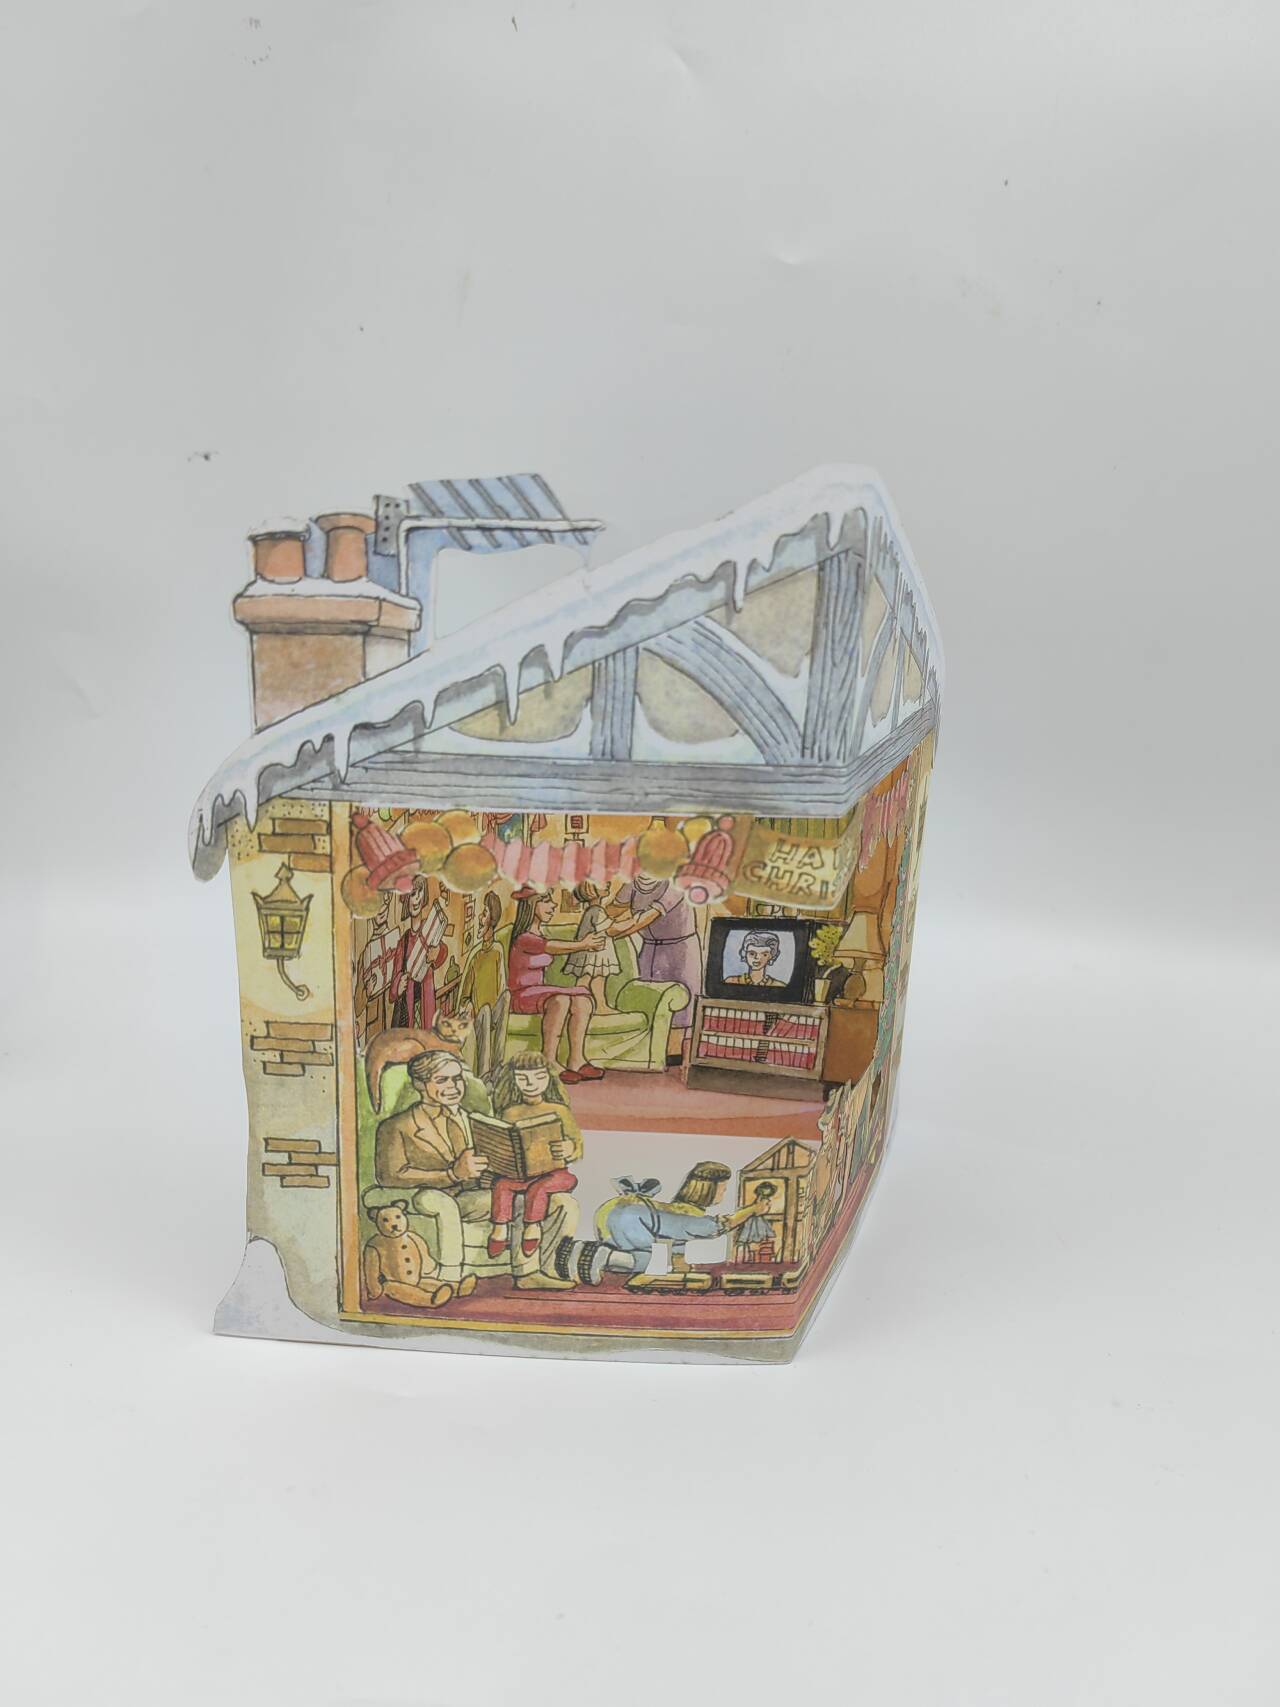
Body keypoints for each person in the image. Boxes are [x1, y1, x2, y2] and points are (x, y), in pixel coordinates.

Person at [372, 1048, 576, 1292]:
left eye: (457, 1078)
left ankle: (530, 1272)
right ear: (420, 1084)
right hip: (434, 1195)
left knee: (552, 1201)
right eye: (442, 1080)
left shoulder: (474, 1121)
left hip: (475, 1194)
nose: (453, 1086)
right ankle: (449, 1279)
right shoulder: (397, 1126)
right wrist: (451, 1174)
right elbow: (389, 1176)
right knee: (447, 1202)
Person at [580, 1162, 764, 1281]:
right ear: (710, 1190)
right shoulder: (687, 1218)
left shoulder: (679, 1215)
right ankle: (605, 1256)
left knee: (647, 1258)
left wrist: (681, 1269)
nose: (724, 1193)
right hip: (626, 1217)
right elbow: (719, 1226)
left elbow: (676, 1245)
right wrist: (753, 1209)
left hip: (615, 1214)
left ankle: (604, 1255)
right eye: (723, 1189)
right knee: (647, 1260)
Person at [484, 1051, 583, 1265]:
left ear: (549, 1078)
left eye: (539, 1077)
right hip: (520, 1174)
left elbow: (577, 1144)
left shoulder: (559, 1110)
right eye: (523, 1078)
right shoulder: (509, 1112)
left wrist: (569, 1148)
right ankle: (499, 1228)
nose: (531, 1084)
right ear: (513, 1080)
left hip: (555, 1173)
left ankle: (533, 1226)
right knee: (501, 1185)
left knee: (539, 1188)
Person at [506, 886, 606, 1085]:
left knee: (582, 999)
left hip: (536, 993)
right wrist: (583, 944)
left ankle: (577, 1060)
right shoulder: (523, 938)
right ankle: (548, 1061)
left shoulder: (539, 933)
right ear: (531, 905)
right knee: (560, 1000)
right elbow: (551, 947)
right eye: (546, 901)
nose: (553, 905)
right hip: (520, 995)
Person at [610, 873, 700, 1055]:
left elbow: (645, 918)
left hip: (679, 951)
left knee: (682, 1010)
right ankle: (650, 1055)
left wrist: (607, 932)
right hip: (649, 949)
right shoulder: (634, 882)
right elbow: (612, 909)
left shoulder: (676, 883)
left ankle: (676, 1057)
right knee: (649, 1002)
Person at [459, 889, 509, 1079]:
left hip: (493, 1011)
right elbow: (464, 995)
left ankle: (498, 1066)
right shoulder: (476, 955)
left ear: (492, 920)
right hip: (478, 1015)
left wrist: (500, 1003)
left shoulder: (498, 950)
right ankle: (485, 1074)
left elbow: (502, 985)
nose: (480, 918)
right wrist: (468, 1004)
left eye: (485, 913)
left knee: (506, 997)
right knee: (486, 1011)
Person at [388, 874, 448, 1030]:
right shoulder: (403, 942)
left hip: (426, 1007)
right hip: (408, 1011)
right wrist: (398, 985)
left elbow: (443, 951)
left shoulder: (429, 928)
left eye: (419, 892)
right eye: (412, 894)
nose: (416, 899)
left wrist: (437, 952)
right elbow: (392, 990)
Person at [563, 879, 621, 1014]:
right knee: (587, 979)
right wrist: (631, 921)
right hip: (592, 953)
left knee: (597, 979)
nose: (607, 883)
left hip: (597, 952)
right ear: (590, 890)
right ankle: (579, 1005)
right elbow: (610, 928)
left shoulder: (595, 910)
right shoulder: (596, 910)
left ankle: (600, 1005)